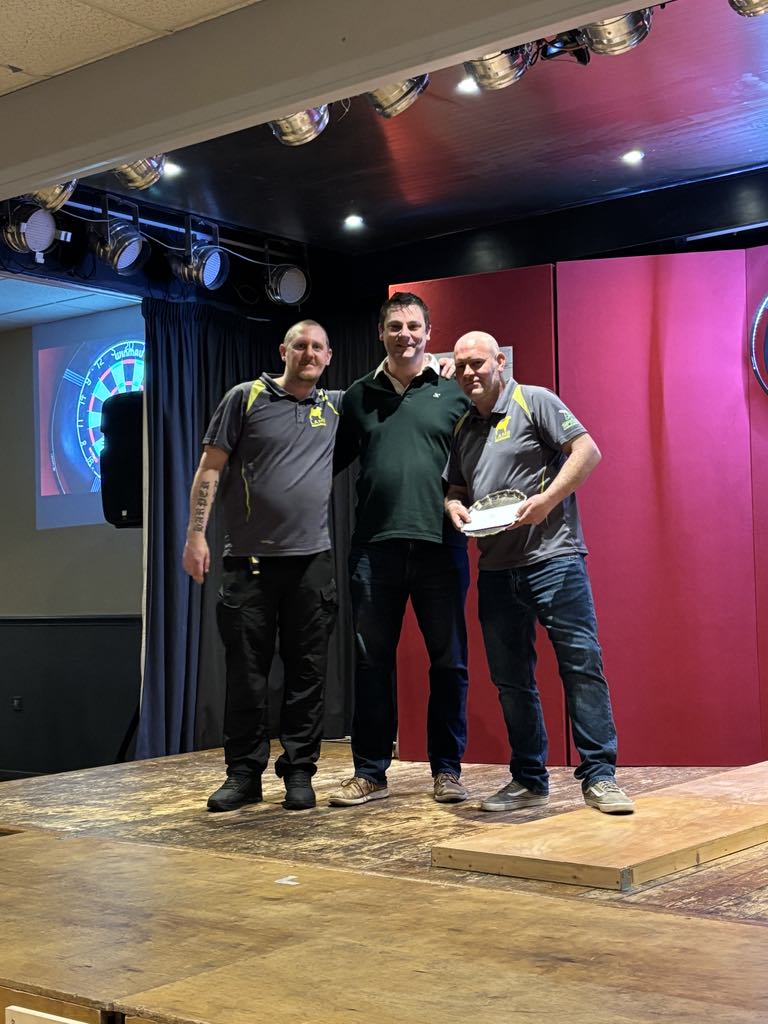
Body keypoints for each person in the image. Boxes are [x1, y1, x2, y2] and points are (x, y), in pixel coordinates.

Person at [444, 331, 634, 814]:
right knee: (511, 681)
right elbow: (457, 488)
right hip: (495, 569)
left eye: (477, 363)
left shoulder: (535, 401)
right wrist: (453, 506)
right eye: (461, 365)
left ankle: (601, 777)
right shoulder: (464, 425)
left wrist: (547, 500)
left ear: (499, 362)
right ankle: (529, 780)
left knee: (581, 666)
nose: (469, 372)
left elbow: (587, 451)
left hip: (555, 560)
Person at [182, 320, 341, 813]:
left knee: (307, 674)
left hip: (311, 564)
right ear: (283, 351)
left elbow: (392, 383)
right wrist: (195, 535)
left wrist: (438, 367)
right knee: (246, 676)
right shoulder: (245, 397)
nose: (309, 353)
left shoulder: (335, 406)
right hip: (248, 564)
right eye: (300, 345)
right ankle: (243, 775)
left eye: (317, 347)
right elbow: (210, 467)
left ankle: (299, 772)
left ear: (328, 356)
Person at [328, 292, 472, 808]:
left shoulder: (454, 393)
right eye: (395, 326)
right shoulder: (357, 397)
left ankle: (447, 771)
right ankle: (370, 772)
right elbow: (325, 463)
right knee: (371, 665)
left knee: (449, 664)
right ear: (381, 334)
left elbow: (481, 460)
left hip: (440, 547)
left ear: (429, 333)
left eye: (414, 326)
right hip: (374, 550)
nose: (404, 335)